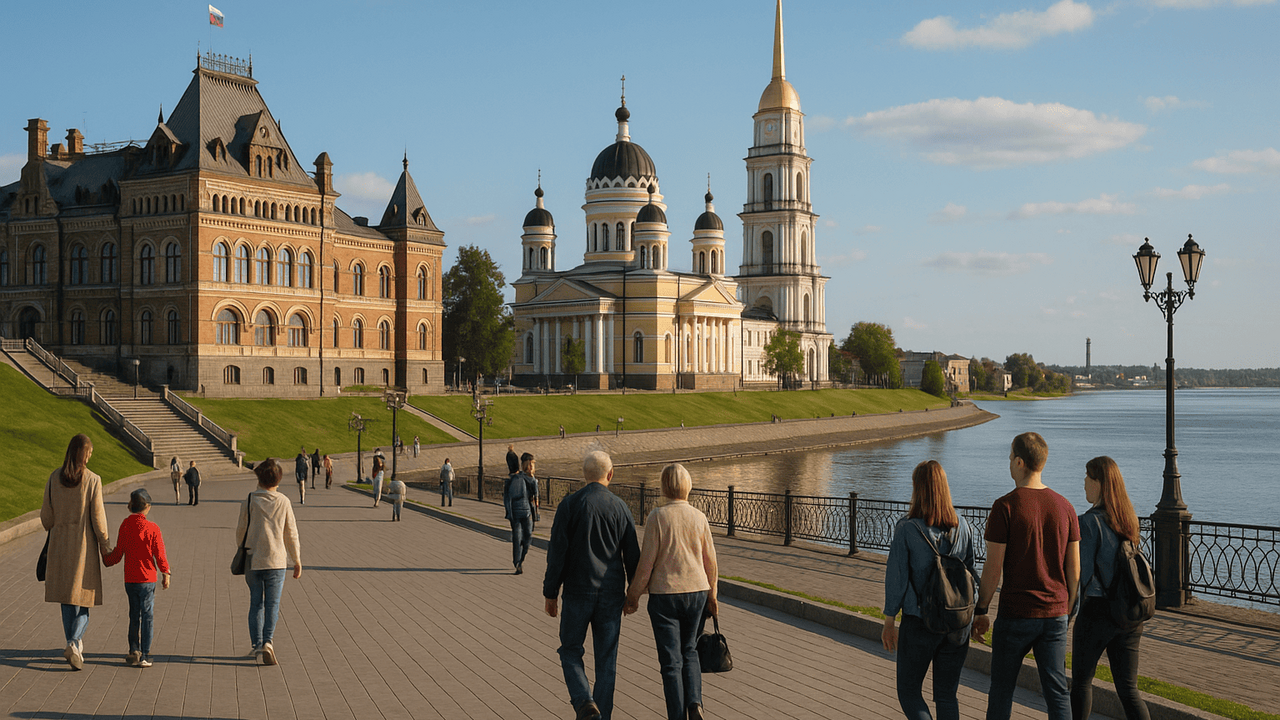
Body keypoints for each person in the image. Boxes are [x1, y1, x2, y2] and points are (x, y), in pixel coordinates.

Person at [972, 432, 1080, 720]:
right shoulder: (1066, 506)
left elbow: (993, 568)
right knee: (1057, 692)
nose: (1008, 463)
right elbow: (1074, 569)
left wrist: (981, 609)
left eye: (1010, 458)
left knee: (1002, 690)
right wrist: (1067, 608)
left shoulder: (1005, 506)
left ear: (1020, 462)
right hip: (1055, 612)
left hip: (1016, 614)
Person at [543, 450, 640, 720]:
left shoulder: (570, 504)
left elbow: (557, 553)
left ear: (584, 476)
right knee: (606, 661)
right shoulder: (620, 507)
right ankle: (601, 715)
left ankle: (584, 701)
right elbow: (633, 556)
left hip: (577, 591)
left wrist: (551, 592)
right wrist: (633, 595)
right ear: (610, 474)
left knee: (570, 650)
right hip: (610, 594)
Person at [881, 460, 978, 720]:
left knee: (909, 692)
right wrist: (976, 614)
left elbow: (897, 579)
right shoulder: (963, 527)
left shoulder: (908, 528)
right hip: (957, 625)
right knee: (946, 695)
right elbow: (971, 575)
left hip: (920, 621)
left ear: (918, 490)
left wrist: (889, 620)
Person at [623, 463, 719, 720]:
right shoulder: (699, 517)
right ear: (688, 487)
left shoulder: (658, 517)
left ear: (665, 487)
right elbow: (711, 562)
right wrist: (713, 596)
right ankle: (695, 703)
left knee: (670, 661)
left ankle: (676, 715)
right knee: (690, 651)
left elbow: (647, 564)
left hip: (665, 595)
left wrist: (632, 596)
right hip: (697, 590)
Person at [1071, 457, 1151, 720]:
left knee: (1082, 682)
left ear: (1099, 484)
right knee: (1129, 690)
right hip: (1128, 613)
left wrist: (1068, 610)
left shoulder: (1088, 523)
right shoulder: (1128, 520)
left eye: (1087, 477)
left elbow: (1080, 576)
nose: (1083, 481)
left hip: (1097, 612)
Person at [41, 434, 111, 671]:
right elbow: (98, 518)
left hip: (59, 545)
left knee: (67, 598)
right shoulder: (92, 480)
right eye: (89, 453)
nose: (90, 457)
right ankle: (73, 643)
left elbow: (46, 519)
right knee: (84, 599)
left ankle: (74, 646)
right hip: (84, 546)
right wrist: (105, 542)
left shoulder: (53, 478)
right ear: (83, 454)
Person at [236, 458, 302, 666]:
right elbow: (291, 533)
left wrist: (244, 548)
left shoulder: (249, 500)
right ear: (278, 478)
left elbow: (240, 532)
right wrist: (297, 559)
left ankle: (256, 645)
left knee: (256, 603)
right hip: (277, 561)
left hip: (253, 559)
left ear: (259, 478)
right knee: (272, 604)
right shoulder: (283, 501)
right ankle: (268, 642)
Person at [103, 488, 170, 668]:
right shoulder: (153, 528)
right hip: (148, 579)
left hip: (130, 579)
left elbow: (118, 553)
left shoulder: (125, 525)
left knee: (134, 615)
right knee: (147, 615)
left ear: (130, 506)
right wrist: (165, 573)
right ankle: (146, 655)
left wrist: (106, 559)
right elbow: (160, 554)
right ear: (147, 507)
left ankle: (134, 649)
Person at [504, 453, 539, 574]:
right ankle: (517, 563)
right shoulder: (514, 479)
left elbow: (535, 494)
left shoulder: (530, 479)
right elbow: (507, 497)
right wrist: (509, 513)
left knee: (528, 536)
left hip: (527, 512)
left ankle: (521, 559)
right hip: (516, 513)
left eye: (532, 465)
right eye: (529, 464)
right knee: (517, 537)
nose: (531, 467)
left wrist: (533, 479)